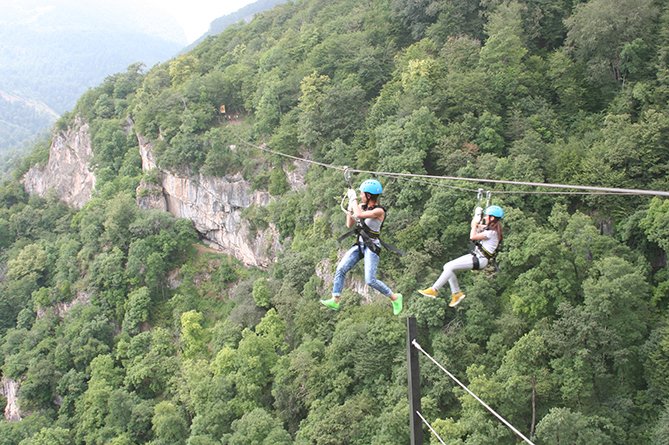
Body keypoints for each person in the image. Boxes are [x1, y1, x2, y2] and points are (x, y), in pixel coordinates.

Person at [320, 179, 403, 315]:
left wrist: (353, 199)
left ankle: (395, 297)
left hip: (371, 246)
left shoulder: (379, 211)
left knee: (370, 280)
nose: (360, 196)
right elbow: (349, 224)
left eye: (362, 193)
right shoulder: (361, 206)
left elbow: (359, 215)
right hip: (360, 244)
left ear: (369, 195)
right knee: (341, 269)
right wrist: (350, 207)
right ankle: (335, 299)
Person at [417, 205, 504, 307]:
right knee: (447, 266)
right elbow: (474, 226)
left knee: (449, 267)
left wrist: (476, 223)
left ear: (492, 218)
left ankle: (434, 289)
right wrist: (477, 216)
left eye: (486, 216)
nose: (484, 218)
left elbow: (473, 236)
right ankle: (456, 293)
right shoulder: (489, 229)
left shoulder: (492, 233)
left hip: (480, 260)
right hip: (476, 256)